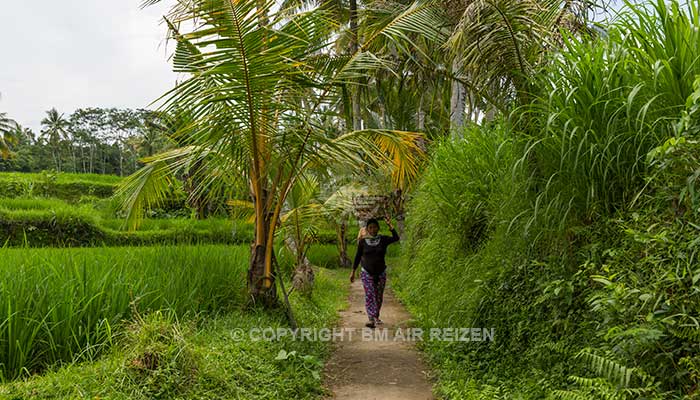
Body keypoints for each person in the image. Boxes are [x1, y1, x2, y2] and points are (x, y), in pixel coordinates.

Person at [350, 216, 399, 328]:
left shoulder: (383, 239)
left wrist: (390, 226)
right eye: (370, 227)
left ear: (378, 228)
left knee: (378, 296)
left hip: (381, 272)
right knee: (370, 294)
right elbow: (357, 257)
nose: (373, 229)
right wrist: (353, 271)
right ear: (367, 229)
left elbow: (396, 238)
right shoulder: (362, 242)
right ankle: (371, 319)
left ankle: (376, 316)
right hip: (366, 272)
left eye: (375, 227)